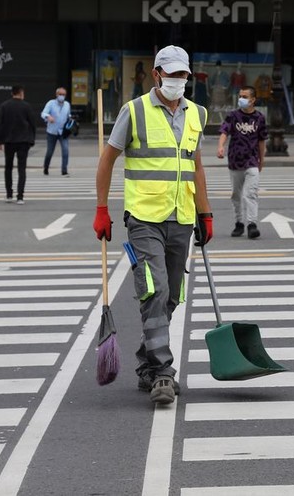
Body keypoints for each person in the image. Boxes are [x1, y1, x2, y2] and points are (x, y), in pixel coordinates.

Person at [94, 45, 213, 405]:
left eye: (183, 75)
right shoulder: (134, 112)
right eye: (172, 74)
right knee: (154, 290)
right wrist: (102, 208)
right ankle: (163, 373)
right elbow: (107, 160)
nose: (178, 81)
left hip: (181, 218)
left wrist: (205, 213)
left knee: (172, 296)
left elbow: (197, 166)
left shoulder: (198, 114)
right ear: (157, 75)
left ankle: (147, 363)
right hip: (144, 219)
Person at [217, 86, 268, 239]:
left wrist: (261, 160)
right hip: (235, 161)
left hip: (251, 161)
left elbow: (261, 140)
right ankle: (239, 223)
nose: (242, 99)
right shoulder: (233, 116)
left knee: (250, 193)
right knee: (236, 195)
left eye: (245, 96)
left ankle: (252, 224)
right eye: (240, 96)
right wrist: (220, 146)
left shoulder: (259, 118)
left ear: (253, 100)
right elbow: (224, 132)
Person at [0, 85, 36, 204]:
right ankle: (20, 196)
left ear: (12, 93)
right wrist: (31, 140)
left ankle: (9, 194)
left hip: (9, 141)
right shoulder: (26, 106)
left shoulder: (4, 106)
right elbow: (32, 124)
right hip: (23, 141)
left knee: (8, 167)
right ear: (21, 93)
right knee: (21, 169)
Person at [41, 87, 71, 176]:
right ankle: (46, 167)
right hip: (52, 131)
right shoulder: (51, 103)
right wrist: (48, 117)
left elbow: (68, 114)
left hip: (63, 132)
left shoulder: (67, 104)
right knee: (50, 151)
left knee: (65, 150)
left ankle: (64, 170)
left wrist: (70, 120)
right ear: (57, 94)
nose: (62, 96)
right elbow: (43, 113)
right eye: (60, 94)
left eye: (64, 94)